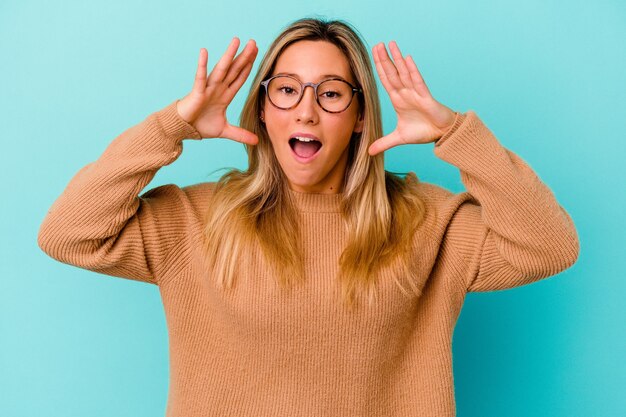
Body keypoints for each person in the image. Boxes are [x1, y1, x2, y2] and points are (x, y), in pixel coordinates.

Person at [38, 17, 579, 417]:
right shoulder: (193, 220)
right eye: (288, 90)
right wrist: (170, 127)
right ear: (264, 109)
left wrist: (457, 134)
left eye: (332, 93)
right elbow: (68, 234)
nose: (306, 110)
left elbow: (549, 247)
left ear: (362, 115)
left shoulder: (426, 222)